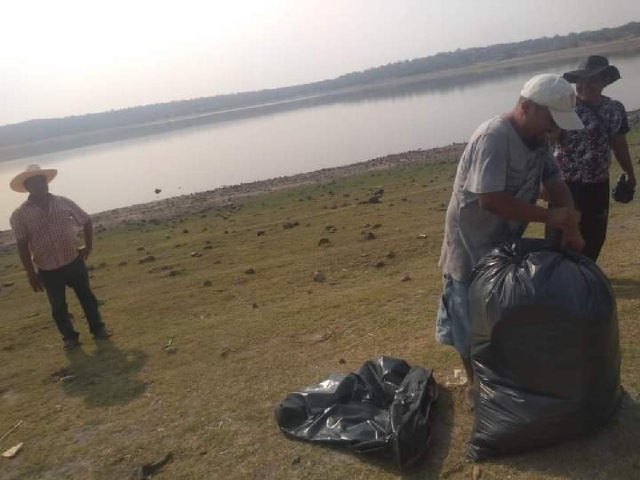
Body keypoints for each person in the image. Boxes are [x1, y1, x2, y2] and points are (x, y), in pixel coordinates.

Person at [436, 74, 585, 407]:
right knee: (466, 323)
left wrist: (571, 225)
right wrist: (550, 217)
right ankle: (474, 384)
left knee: (498, 315)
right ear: (526, 106)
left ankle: (500, 375)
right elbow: (491, 200)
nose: (553, 129)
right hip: (469, 246)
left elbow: (557, 185)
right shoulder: (494, 137)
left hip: (502, 245)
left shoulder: (539, 139)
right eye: (550, 119)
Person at [9, 164, 111, 349]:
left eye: (43, 181)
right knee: (58, 306)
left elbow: (86, 220)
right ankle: (70, 338)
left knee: (86, 297)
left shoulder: (63, 201)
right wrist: (31, 274)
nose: (41, 185)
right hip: (47, 269)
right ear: (27, 187)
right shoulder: (19, 215)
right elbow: (22, 246)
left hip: (73, 260)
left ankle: (98, 328)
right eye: (36, 182)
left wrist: (88, 246)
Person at [550, 55, 636, 261]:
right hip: (565, 185)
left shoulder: (615, 109)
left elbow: (619, 145)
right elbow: (545, 144)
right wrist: (544, 182)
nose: (584, 85)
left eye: (591, 80)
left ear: (604, 81)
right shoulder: (564, 108)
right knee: (558, 237)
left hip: (598, 184)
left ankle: (586, 276)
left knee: (594, 236)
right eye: (580, 80)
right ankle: (555, 281)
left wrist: (629, 173)